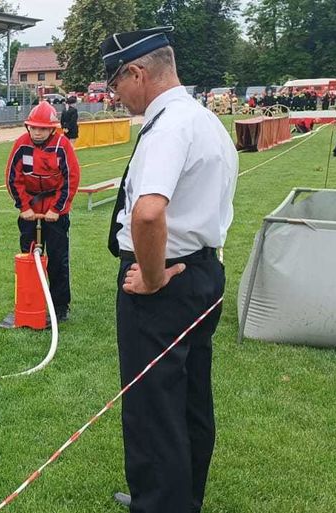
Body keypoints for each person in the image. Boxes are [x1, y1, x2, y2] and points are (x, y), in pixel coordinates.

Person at [100, 27, 236, 513]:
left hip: (165, 282)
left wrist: (153, 277)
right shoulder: (202, 119)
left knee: (153, 405)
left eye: (117, 83)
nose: (115, 96)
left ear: (137, 72)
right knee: (189, 396)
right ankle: (178, 498)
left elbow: (150, 212)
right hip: (201, 274)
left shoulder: (170, 125)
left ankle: (159, 503)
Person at [0, 102, 81, 328]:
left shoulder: (62, 145)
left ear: (52, 129)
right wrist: (24, 207)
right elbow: (13, 178)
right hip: (30, 210)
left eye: (42, 129)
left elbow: (70, 178)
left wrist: (57, 209)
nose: (37, 132)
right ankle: (31, 302)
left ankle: (60, 306)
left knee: (58, 259)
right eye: (33, 128)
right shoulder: (21, 145)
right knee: (29, 257)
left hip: (54, 210)